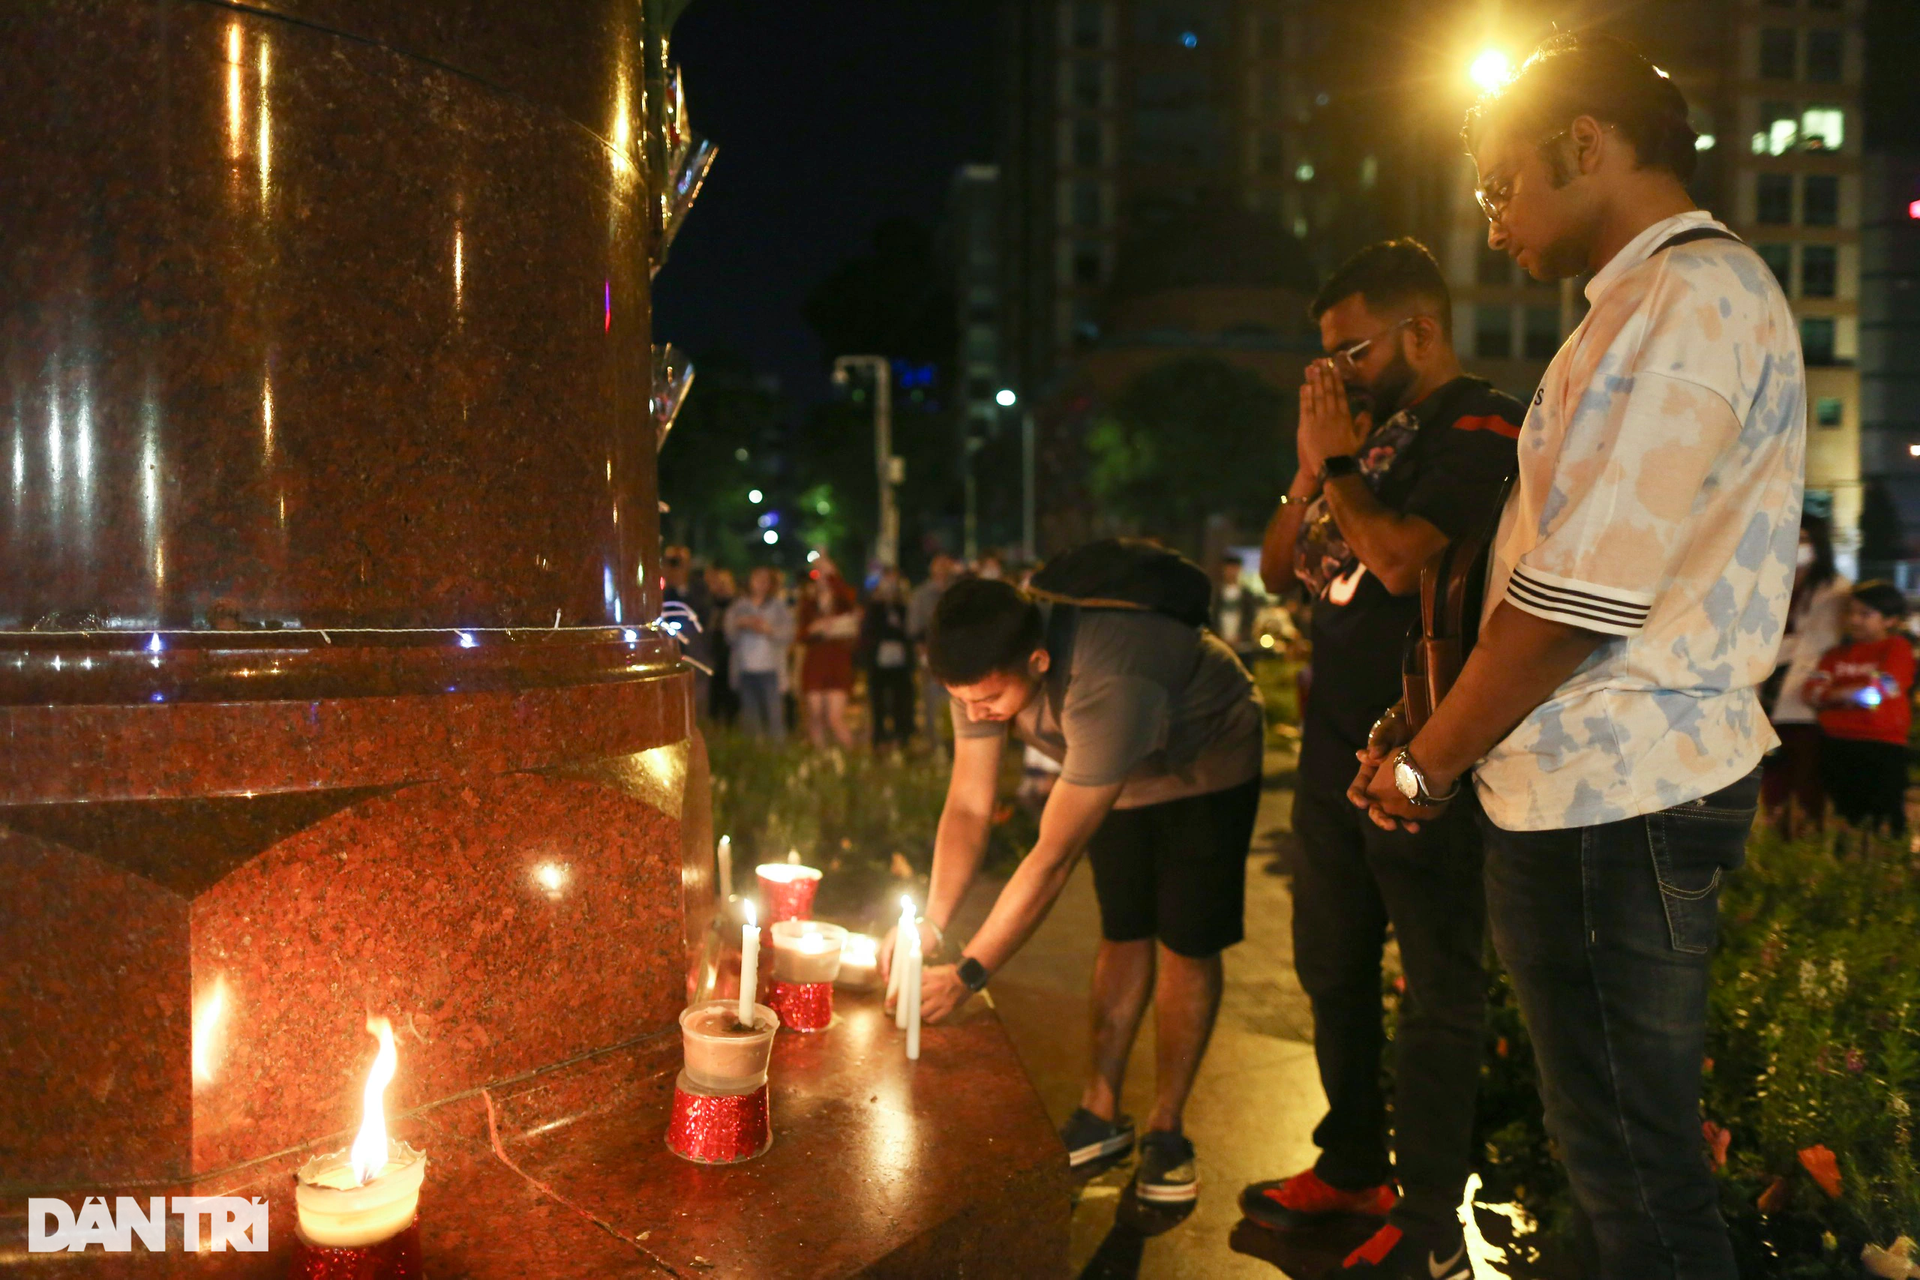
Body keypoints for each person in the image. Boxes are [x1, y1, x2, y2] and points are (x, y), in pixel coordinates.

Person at [1353, 34, 1805, 1280]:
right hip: (1595, 792)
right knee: (1609, 1176)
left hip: (1621, 796)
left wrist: (1425, 769)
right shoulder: (1643, 305)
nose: (1491, 217)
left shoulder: (1687, 302)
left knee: (1639, 1186)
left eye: (1502, 183)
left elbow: (1569, 607)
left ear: (1587, 144)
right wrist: (1429, 734)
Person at [1244, 239, 1522, 1280]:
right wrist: (1312, 465)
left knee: (1438, 983)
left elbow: (1404, 560)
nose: (1340, 374)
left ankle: (1428, 1213)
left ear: (1422, 330)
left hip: (1426, 752)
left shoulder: (1481, 423)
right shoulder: (1361, 441)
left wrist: (1343, 467)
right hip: (1332, 750)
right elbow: (1280, 569)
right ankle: (1351, 1163)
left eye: (1353, 351)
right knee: (1332, 963)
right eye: (1327, 356)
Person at [891, 575, 1264, 1207]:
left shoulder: (1105, 678)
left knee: (1186, 941)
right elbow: (970, 805)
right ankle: (1100, 1112)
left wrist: (969, 971)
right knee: (1124, 925)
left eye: (988, 700)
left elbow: (1052, 858)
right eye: (961, 701)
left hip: (1207, 757)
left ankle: (1167, 1130)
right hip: (1116, 765)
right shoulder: (981, 669)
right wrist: (931, 925)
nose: (975, 714)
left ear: (1038, 661)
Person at [1761, 514, 1849, 833]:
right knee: (1771, 774)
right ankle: (1775, 835)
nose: (1796, 546)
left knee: (1805, 772)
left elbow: (1820, 642)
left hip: (1804, 694)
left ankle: (1808, 838)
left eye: (1804, 539)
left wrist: (1784, 644)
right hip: (1767, 689)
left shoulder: (1834, 588)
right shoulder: (1771, 580)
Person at [1804, 581, 1913, 836]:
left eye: (1865, 614)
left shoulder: (1897, 648)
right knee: (1844, 816)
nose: (1854, 620)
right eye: (1850, 612)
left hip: (1881, 744)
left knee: (1884, 818)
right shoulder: (1834, 654)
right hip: (1836, 742)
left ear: (1890, 620)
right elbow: (1811, 693)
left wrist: (1835, 694)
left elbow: (1882, 691)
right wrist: (1856, 692)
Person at [795, 556, 860, 750]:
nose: (822, 576)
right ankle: (821, 755)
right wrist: (815, 628)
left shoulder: (842, 600)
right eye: (818, 572)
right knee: (815, 713)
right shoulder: (809, 602)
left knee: (834, 717)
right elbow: (800, 634)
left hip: (837, 661)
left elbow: (848, 598)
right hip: (815, 661)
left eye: (826, 573)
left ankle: (851, 756)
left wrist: (832, 574)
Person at [723, 567, 794, 740]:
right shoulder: (739, 606)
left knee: (774, 716)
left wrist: (769, 630)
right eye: (756, 579)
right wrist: (741, 624)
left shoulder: (778, 607)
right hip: (745, 669)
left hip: (771, 670)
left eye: (765, 580)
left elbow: (789, 634)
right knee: (750, 718)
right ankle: (753, 751)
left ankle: (777, 751)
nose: (760, 584)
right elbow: (728, 635)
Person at [908, 553, 961, 749]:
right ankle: (936, 744)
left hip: (956, 657)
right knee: (932, 701)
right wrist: (923, 656)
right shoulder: (922, 595)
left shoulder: (956, 592)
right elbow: (915, 629)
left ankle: (954, 744)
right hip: (932, 655)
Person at [861, 565, 916, 749]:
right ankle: (880, 735)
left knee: (901, 697)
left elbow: (910, 631)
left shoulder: (903, 606)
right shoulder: (874, 607)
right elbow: (868, 631)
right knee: (878, 699)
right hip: (879, 660)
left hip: (900, 660)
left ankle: (902, 734)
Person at [1211, 559, 1267, 667]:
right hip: (1220, 642)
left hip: (1242, 645)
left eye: (1234, 569)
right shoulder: (1216, 593)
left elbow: (1250, 618)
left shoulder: (1247, 595)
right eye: (1229, 569)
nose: (1231, 572)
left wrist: (1242, 635)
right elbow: (1213, 616)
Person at [706, 566, 741, 726]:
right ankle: (715, 719)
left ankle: (731, 720)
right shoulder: (710, 604)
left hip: (732, 652)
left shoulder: (737, 604)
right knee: (716, 686)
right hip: (715, 652)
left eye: (725, 583)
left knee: (730, 686)